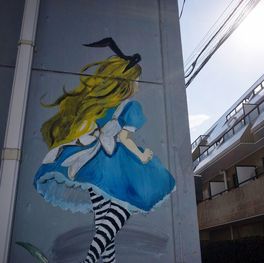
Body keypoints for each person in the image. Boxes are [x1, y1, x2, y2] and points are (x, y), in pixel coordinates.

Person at [34, 38, 176, 263]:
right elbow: (123, 137)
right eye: (136, 80)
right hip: (118, 165)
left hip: (91, 164)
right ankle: (90, 261)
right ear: (127, 82)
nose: (138, 85)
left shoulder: (100, 105)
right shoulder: (131, 106)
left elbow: (91, 129)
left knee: (103, 224)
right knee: (117, 217)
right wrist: (141, 155)